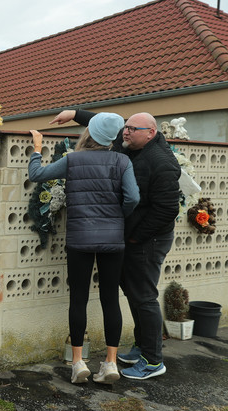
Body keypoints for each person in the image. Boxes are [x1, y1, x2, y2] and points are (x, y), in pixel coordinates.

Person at [50, 109, 181, 380]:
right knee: (129, 292)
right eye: (125, 128)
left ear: (151, 134)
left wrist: (133, 234)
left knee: (143, 296)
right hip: (122, 236)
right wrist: (76, 114)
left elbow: (167, 210)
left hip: (150, 238)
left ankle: (154, 360)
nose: (126, 132)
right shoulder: (131, 148)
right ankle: (140, 346)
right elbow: (104, 126)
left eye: (132, 129)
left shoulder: (161, 162)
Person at [28, 112, 140, 384]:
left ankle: (78, 362)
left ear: (88, 133)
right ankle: (111, 363)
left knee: (78, 298)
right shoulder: (122, 161)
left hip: (79, 239)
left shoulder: (73, 160)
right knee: (110, 298)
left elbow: (37, 174)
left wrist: (38, 147)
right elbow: (133, 197)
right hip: (113, 239)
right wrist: (117, 215)